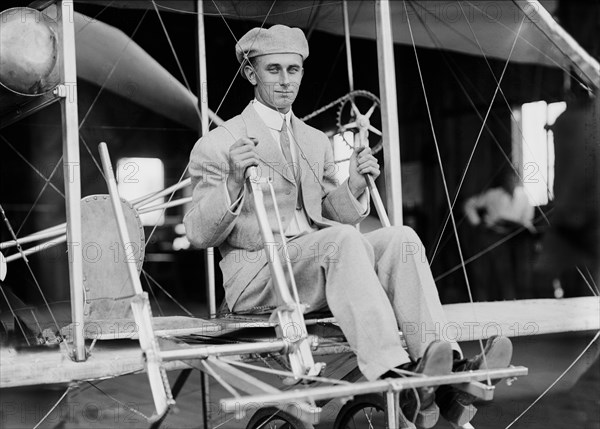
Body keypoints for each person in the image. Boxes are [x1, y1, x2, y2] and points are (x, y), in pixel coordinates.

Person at [184, 24, 512, 427]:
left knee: (400, 238)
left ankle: (446, 373)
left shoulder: (312, 140)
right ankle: (393, 371)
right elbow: (199, 233)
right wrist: (234, 179)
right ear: (251, 74)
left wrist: (354, 185)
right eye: (273, 70)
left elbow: (325, 213)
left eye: (294, 69)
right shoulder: (219, 143)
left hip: (315, 263)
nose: (286, 81)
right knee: (340, 241)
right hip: (259, 276)